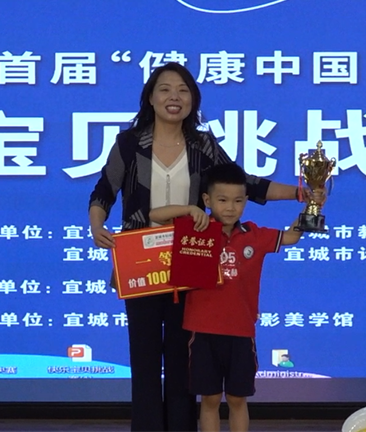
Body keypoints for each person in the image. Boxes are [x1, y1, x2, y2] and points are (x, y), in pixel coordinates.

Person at [88, 62, 307, 432]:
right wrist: (97, 225)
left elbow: (244, 184)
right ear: (150, 97)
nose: (174, 96)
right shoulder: (129, 143)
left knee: (181, 361)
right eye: (165, 89)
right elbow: (104, 191)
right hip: (140, 264)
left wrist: (302, 193)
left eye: (183, 90)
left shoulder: (202, 145)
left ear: (193, 99)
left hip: (191, 259)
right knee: (143, 359)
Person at [149, 162, 309, 432]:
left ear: (246, 201)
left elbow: (292, 237)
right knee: (210, 399)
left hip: (241, 332)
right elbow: (155, 214)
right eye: (222, 200)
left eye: (238, 201)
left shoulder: (254, 235)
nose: (230, 208)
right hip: (202, 332)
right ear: (207, 200)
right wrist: (190, 210)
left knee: (237, 399)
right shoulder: (194, 229)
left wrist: (312, 207)